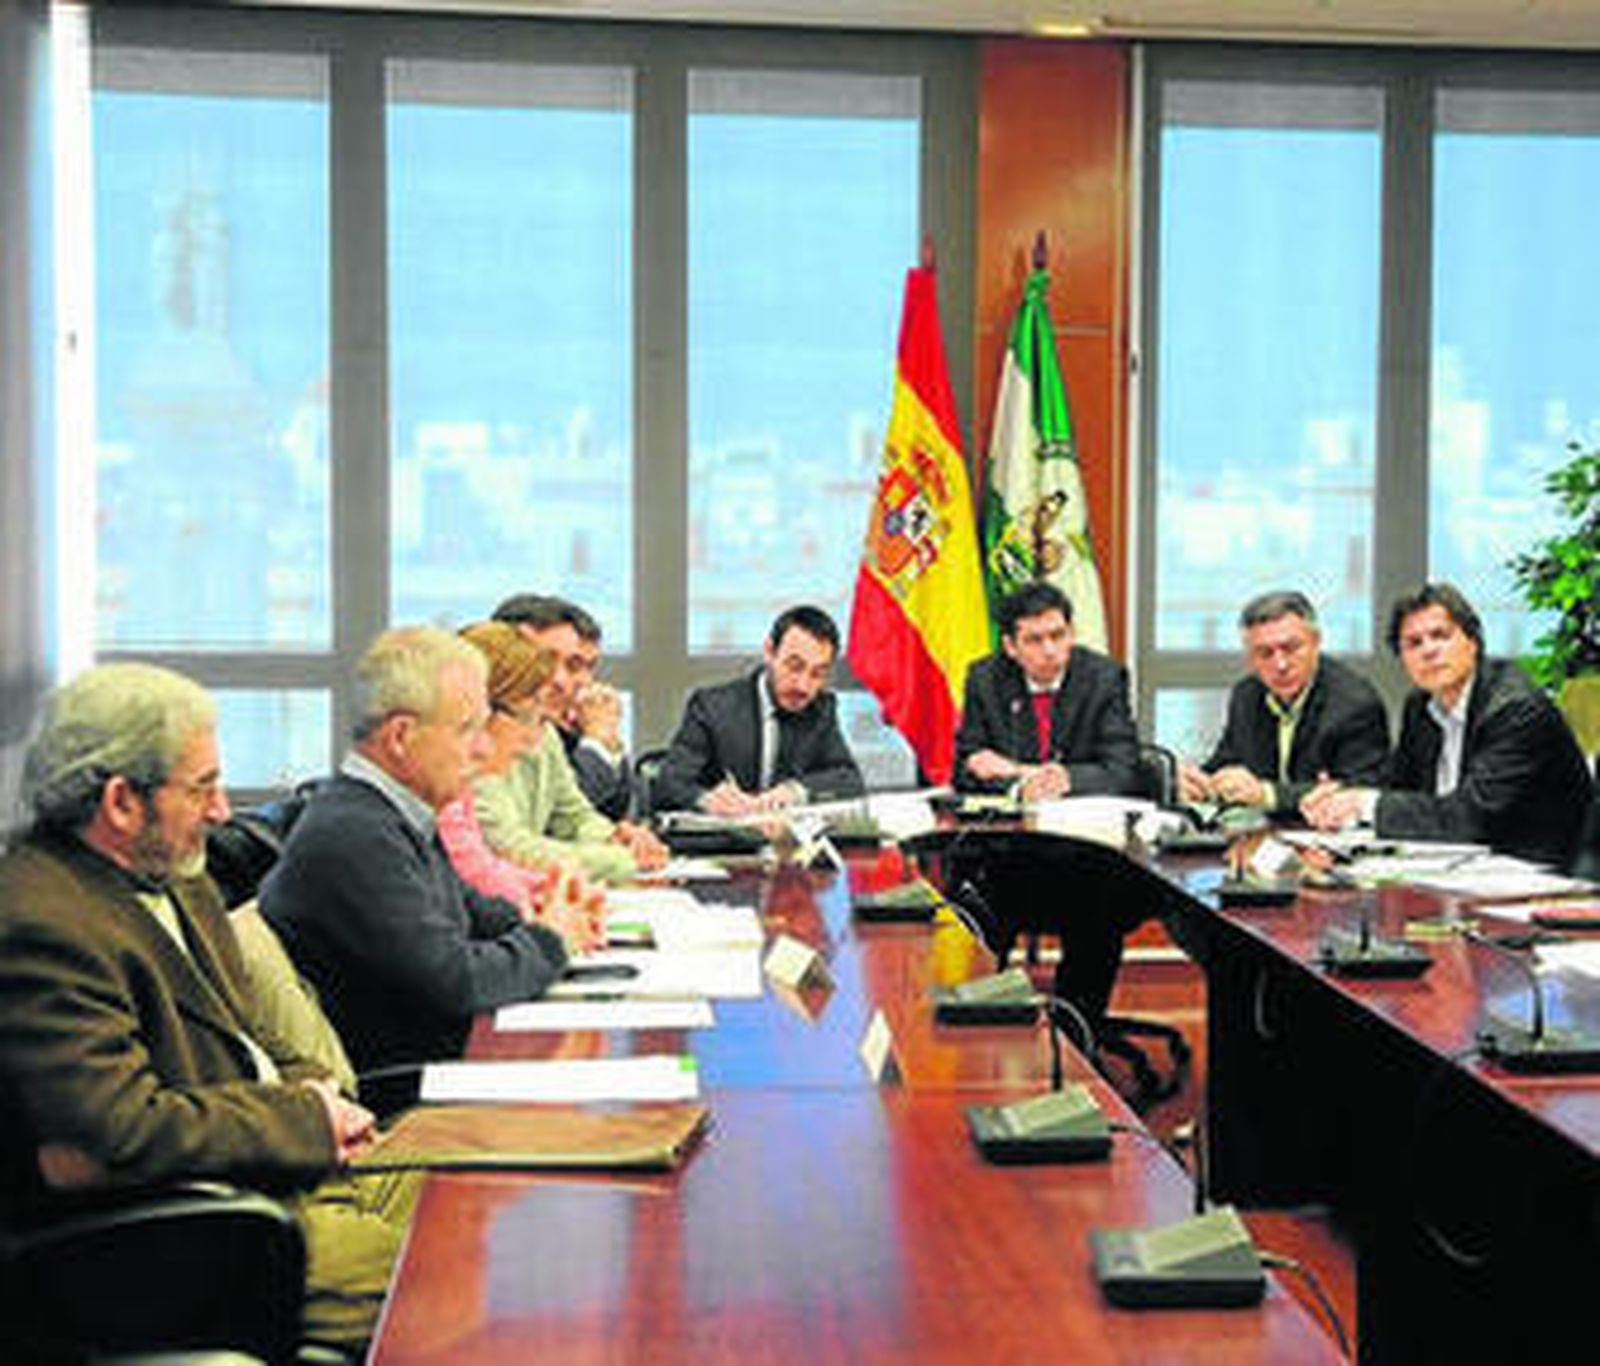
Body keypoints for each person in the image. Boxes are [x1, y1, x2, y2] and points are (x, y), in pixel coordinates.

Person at [0, 663, 412, 1351]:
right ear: (121, 802)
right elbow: (119, 1134)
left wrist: (320, 1093)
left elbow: (243, 1039)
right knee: (477, 1278)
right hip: (207, 1237)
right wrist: (305, 1117)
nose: (223, 811)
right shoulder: (40, 925)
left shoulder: (181, 880)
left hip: (299, 1165)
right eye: (202, 787)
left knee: (497, 1186)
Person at [261, 626, 569, 1081]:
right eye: (467, 729)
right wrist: (551, 939)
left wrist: (546, 913)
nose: (483, 748)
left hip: (445, 1064)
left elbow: (478, 916)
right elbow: (458, 983)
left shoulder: (399, 816)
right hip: (410, 1094)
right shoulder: (355, 836)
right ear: (401, 736)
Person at [1302, 582, 1592, 865]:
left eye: (1440, 636)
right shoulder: (1420, 707)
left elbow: (1470, 818)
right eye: (1413, 643)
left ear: (1473, 642)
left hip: (1540, 872)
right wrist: (1339, 802)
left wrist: (1364, 803)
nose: (1429, 651)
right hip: (1458, 865)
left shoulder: (1515, 709)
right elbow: (1401, 790)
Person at [442, 622, 605, 953]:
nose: (534, 740)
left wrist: (554, 890)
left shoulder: (458, 791)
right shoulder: (443, 791)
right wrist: (553, 908)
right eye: (531, 717)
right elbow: (489, 865)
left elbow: (486, 872)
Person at [480, 596, 667, 877]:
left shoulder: (547, 730)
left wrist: (614, 837)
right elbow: (507, 847)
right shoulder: (474, 734)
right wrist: (623, 859)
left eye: (585, 667)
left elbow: (573, 816)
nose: (563, 681)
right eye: (547, 661)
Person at [1177, 589, 1389, 814]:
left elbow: (1362, 791)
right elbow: (1226, 764)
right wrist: (1198, 783)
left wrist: (1268, 795)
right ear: (1250, 657)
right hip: (1263, 831)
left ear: (1316, 643)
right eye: (1265, 653)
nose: (1280, 665)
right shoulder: (1246, 696)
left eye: (1291, 648)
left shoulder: (1354, 705)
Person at [654, 604, 865, 814]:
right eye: (795, 667)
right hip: (726, 833)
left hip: (787, 833)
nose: (803, 686)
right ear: (769, 652)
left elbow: (849, 779)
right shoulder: (711, 707)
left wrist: (794, 791)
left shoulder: (820, 709)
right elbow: (669, 785)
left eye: (818, 674)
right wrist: (707, 800)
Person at [954, 581, 1139, 798]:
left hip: (1080, 812)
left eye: (1058, 636)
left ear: (1072, 634)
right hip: (1013, 815)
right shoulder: (986, 680)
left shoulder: (1103, 678)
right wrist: (1020, 786)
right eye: (1034, 640)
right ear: (1010, 647)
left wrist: (1064, 779)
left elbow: (1123, 769)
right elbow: (966, 768)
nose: (1049, 650)